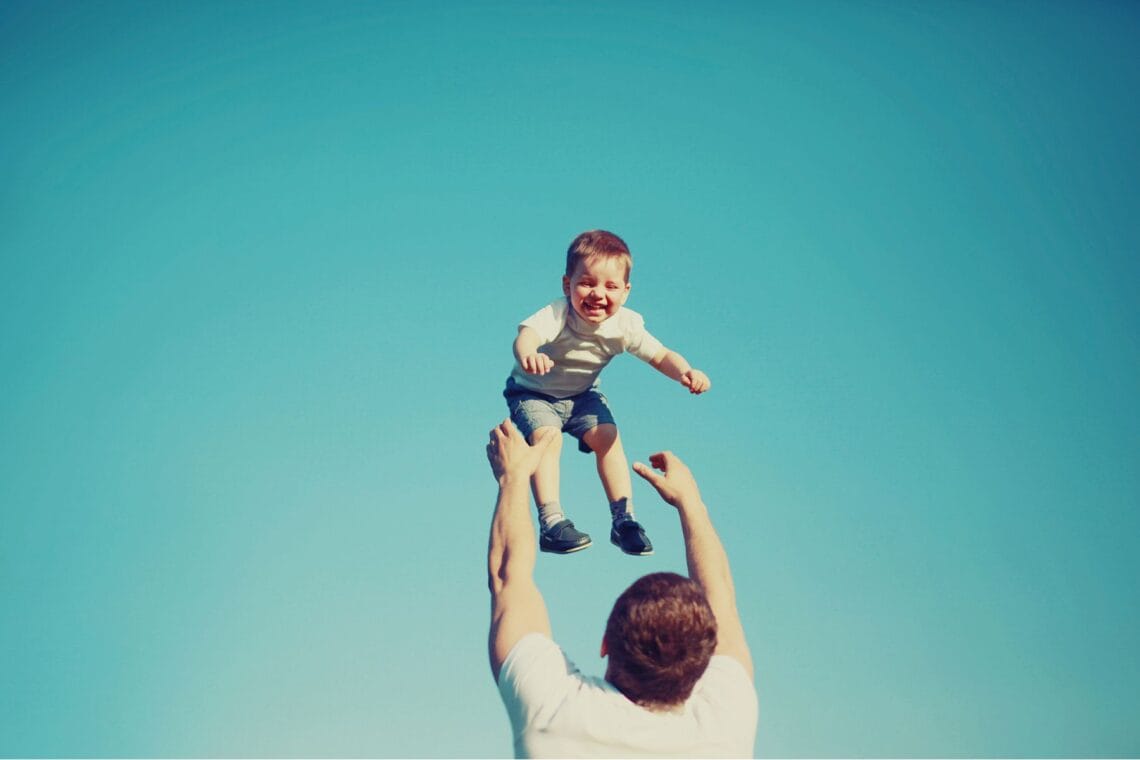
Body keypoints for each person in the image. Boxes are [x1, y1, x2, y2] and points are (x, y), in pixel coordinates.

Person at [486, 420, 758, 758]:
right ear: (703, 662)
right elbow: (722, 601)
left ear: (604, 644)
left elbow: (507, 577)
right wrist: (692, 503)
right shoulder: (725, 727)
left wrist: (512, 478)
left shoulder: (554, 708)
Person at [504, 229, 711, 557]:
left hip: (583, 394)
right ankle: (552, 522)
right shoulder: (560, 313)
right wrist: (529, 352)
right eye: (587, 283)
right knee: (548, 438)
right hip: (533, 394)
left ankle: (624, 519)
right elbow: (527, 334)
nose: (598, 294)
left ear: (626, 292)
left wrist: (686, 371)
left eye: (611, 286)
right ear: (566, 284)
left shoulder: (625, 325)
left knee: (609, 437)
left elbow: (660, 355)